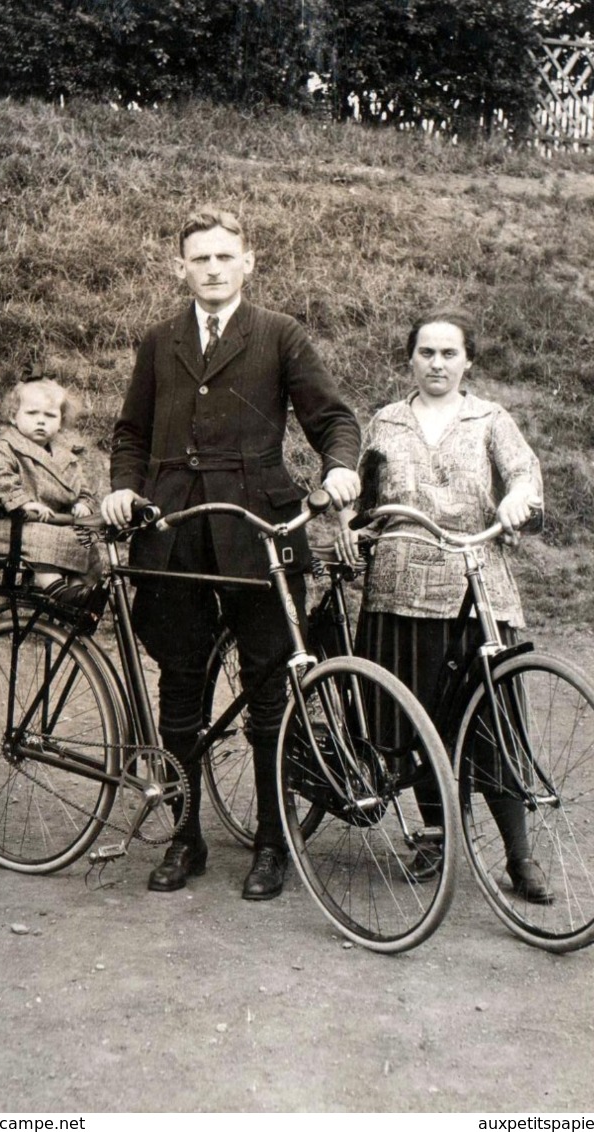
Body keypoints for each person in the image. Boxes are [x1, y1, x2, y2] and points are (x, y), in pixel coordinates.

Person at [101, 207, 361, 900]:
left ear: (249, 260)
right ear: (179, 267)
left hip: (259, 536)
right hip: (174, 533)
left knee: (271, 695)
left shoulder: (279, 334)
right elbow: (129, 431)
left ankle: (273, 844)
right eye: (199, 258)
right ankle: (184, 839)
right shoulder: (160, 341)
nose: (212, 269)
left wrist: (340, 468)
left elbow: (332, 419)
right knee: (179, 689)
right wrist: (123, 489)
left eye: (224, 256)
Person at [337, 309, 552, 903]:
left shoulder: (491, 419)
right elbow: (367, 501)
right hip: (399, 589)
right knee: (415, 719)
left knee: (493, 722)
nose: (436, 363)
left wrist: (516, 502)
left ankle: (519, 854)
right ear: (410, 359)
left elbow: (524, 476)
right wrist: (354, 531)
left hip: (474, 586)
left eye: (448, 354)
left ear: (468, 362)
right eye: (426, 353)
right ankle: (433, 833)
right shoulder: (386, 422)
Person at [0, 377, 98, 601]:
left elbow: (83, 489)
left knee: (87, 541)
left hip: (55, 524)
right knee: (45, 539)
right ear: (14, 416)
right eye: (32, 414)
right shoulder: (4, 448)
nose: (41, 421)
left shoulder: (67, 457)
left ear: (60, 422)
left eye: (50, 415)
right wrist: (23, 501)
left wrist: (83, 503)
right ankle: (61, 593)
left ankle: (80, 594)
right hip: (17, 525)